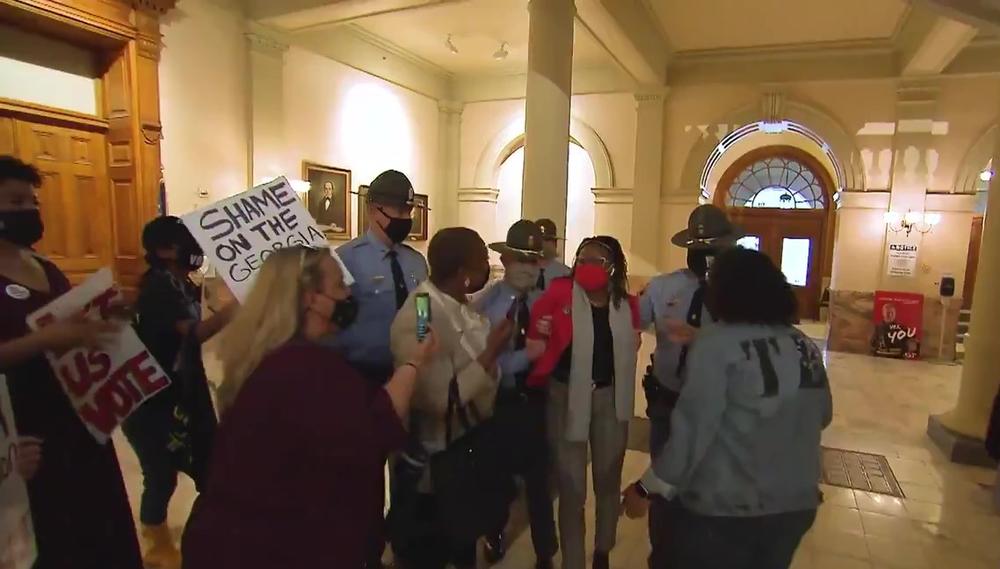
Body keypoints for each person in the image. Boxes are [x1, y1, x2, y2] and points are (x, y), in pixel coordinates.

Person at [181, 246, 436, 569]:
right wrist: (414, 362)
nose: (349, 295)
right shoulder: (306, 368)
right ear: (310, 298)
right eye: (340, 286)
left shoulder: (272, 357)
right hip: (277, 549)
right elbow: (373, 433)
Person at [623, 247, 832, 569]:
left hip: (730, 508)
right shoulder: (804, 344)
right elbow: (823, 415)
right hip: (794, 505)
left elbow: (692, 432)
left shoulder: (716, 344)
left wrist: (645, 488)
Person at [0, 155, 144, 569]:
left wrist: (104, 314)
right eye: (14, 202)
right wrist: (42, 340)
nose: (28, 211)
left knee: (95, 523)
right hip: (22, 422)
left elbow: (68, 322)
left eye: (32, 202)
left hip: (76, 413)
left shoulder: (43, 265)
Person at [390, 227, 512, 569]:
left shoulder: (464, 308)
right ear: (463, 274)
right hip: (435, 471)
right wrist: (490, 354)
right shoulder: (423, 312)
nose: (487, 268)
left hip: (467, 459)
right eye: (482, 262)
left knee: (463, 549)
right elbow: (437, 397)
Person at [122, 216, 235, 569]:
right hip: (153, 400)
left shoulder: (181, 283)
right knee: (160, 473)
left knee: (206, 461)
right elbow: (192, 333)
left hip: (183, 392)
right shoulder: (156, 288)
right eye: (187, 242)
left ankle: (204, 537)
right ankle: (155, 541)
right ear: (165, 250)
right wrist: (233, 312)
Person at [636, 204, 742, 568]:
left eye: (713, 249)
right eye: (699, 249)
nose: (705, 258)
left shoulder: (742, 296)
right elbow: (630, 320)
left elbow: (752, 349)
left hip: (720, 412)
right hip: (668, 402)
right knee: (664, 490)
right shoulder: (665, 287)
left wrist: (705, 338)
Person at [526, 235, 641, 569]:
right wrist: (543, 333)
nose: (587, 266)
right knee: (571, 485)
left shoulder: (626, 305)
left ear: (613, 267)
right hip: (565, 396)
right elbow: (536, 335)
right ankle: (572, 561)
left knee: (607, 476)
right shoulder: (558, 294)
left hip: (609, 397)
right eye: (582, 258)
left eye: (596, 260)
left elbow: (632, 346)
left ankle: (603, 549)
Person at [334, 169, 428, 568]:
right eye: (399, 208)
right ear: (374, 211)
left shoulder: (415, 262)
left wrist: (424, 342)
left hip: (411, 375)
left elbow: (424, 312)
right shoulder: (346, 261)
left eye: (410, 207)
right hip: (364, 380)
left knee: (408, 469)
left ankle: (404, 543)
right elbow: (335, 323)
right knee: (366, 475)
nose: (406, 216)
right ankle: (368, 551)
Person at [473, 220, 557, 569]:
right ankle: (493, 534)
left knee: (540, 483)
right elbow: (484, 366)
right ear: (505, 260)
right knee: (497, 478)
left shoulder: (545, 302)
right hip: (499, 405)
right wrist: (527, 356)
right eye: (519, 259)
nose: (526, 267)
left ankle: (545, 553)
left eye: (533, 260)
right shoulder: (486, 305)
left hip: (537, 403)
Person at [535, 218, 570, 290]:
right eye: (539, 240)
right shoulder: (524, 272)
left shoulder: (565, 273)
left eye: (547, 240)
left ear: (555, 243)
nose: (543, 244)